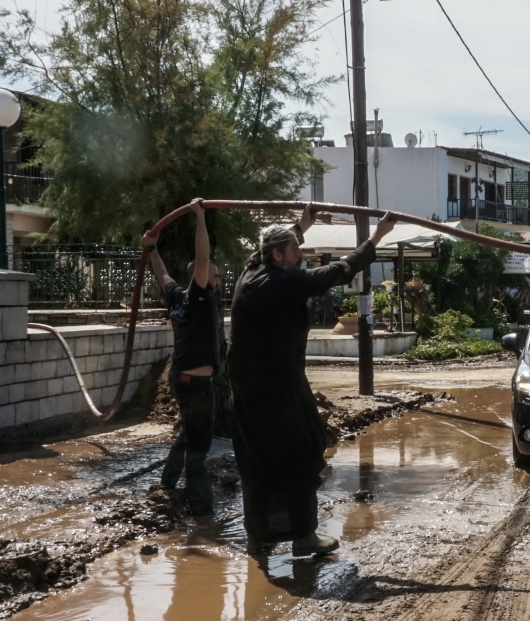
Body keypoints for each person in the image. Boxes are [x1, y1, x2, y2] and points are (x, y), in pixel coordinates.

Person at [229, 207, 396, 557]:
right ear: (277, 255)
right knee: (303, 453)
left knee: (257, 462)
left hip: (248, 392)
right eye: (295, 250)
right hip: (278, 391)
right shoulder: (282, 282)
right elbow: (339, 271)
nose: (301, 255)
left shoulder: (252, 271)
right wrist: (377, 237)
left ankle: (259, 538)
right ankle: (304, 535)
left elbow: (277, 244)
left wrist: (303, 224)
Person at [143, 199, 220, 515]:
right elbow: (203, 257)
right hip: (198, 384)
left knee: (187, 435)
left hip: (181, 378)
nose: (216, 279)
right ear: (201, 279)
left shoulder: (176, 297)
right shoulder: (200, 297)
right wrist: (199, 217)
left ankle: (168, 485)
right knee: (199, 447)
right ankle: (202, 510)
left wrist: (151, 249)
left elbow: (162, 274)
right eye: (213, 275)